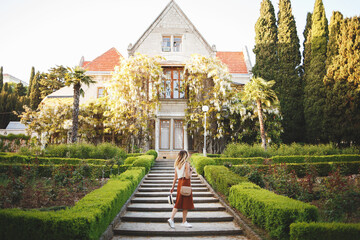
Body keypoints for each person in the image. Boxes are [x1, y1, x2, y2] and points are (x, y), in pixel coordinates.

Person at [167, 150, 194, 228]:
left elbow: (175, 177)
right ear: (185, 156)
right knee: (185, 203)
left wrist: (172, 188)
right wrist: (191, 171)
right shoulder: (186, 164)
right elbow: (187, 176)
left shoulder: (177, 164)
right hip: (185, 183)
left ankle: (182, 221)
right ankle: (174, 219)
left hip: (179, 183)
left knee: (179, 202)